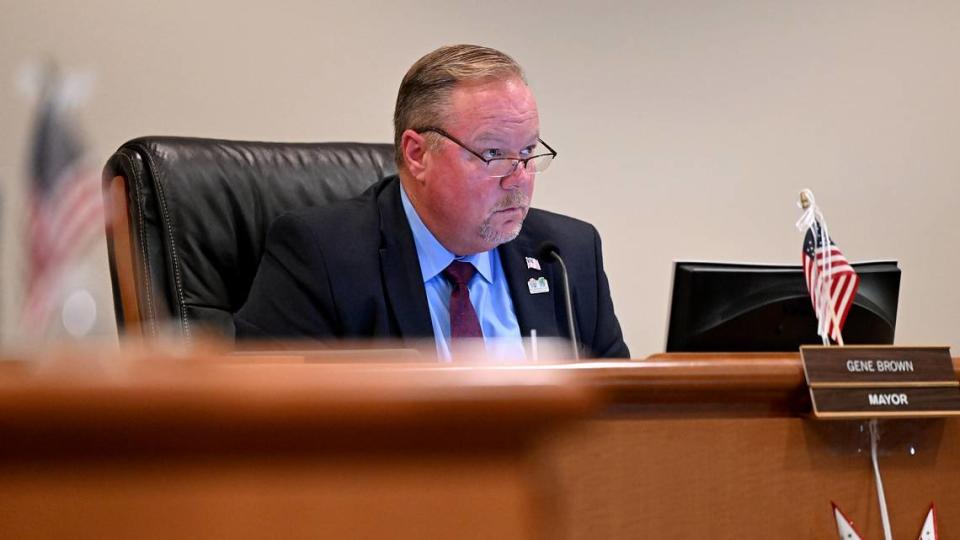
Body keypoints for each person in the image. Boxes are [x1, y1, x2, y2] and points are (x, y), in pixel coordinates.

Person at [235, 44, 629, 359]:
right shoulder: (323, 254)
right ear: (417, 154)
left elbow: (623, 419)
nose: (519, 178)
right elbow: (269, 425)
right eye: (493, 154)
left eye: (527, 152)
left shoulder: (566, 255)